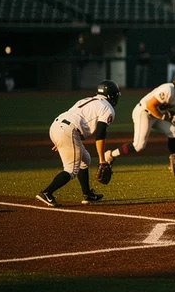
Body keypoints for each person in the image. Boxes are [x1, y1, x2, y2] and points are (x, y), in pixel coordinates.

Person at [36, 79, 119, 207]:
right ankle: (47, 192)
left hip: (56, 126)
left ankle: (88, 195)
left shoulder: (86, 100)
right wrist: (102, 160)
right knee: (71, 170)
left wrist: (61, 139)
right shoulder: (108, 108)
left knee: (85, 160)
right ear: (111, 95)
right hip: (69, 130)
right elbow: (100, 133)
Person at [104, 73, 175, 175]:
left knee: (173, 131)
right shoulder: (168, 90)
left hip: (153, 115)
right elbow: (150, 105)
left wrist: (171, 114)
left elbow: (162, 108)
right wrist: (164, 117)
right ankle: (111, 155)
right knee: (139, 145)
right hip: (144, 112)